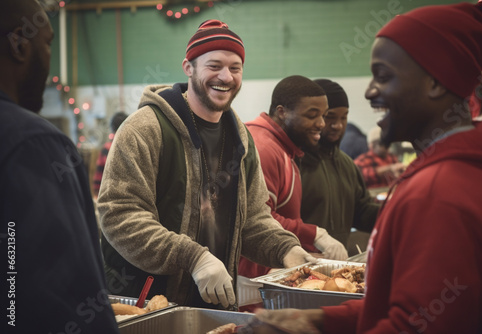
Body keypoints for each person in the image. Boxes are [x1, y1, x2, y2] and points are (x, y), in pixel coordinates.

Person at [245, 1, 482, 332]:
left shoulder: (440, 192)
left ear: (435, 83)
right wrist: (319, 319)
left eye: (383, 76)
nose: (369, 91)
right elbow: (398, 305)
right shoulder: (450, 172)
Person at [97, 20, 315, 310]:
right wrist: (193, 257)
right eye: (214, 66)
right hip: (144, 305)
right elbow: (119, 214)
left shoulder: (241, 140)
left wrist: (285, 248)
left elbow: (252, 219)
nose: (225, 77)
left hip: (211, 304)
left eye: (235, 68)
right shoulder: (145, 129)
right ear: (189, 67)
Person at [0, 1, 119, 333]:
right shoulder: (34, 144)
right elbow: (69, 298)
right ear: (20, 45)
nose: (49, 58)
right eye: (47, 42)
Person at [237, 76, 348, 310]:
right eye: (311, 115)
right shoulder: (265, 149)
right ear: (282, 112)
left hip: (266, 273)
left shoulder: (282, 148)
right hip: (253, 279)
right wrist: (314, 234)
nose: (321, 124)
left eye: (323, 115)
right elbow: (257, 218)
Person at [299, 79, 379, 250]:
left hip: (336, 268)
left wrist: (396, 211)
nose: (338, 125)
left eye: (344, 117)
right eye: (330, 117)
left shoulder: (347, 164)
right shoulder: (295, 163)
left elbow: (360, 212)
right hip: (297, 268)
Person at [92, 111, 128, 197]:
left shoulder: (107, 148)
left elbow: (98, 180)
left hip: (111, 197)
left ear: (113, 128)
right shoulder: (133, 147)